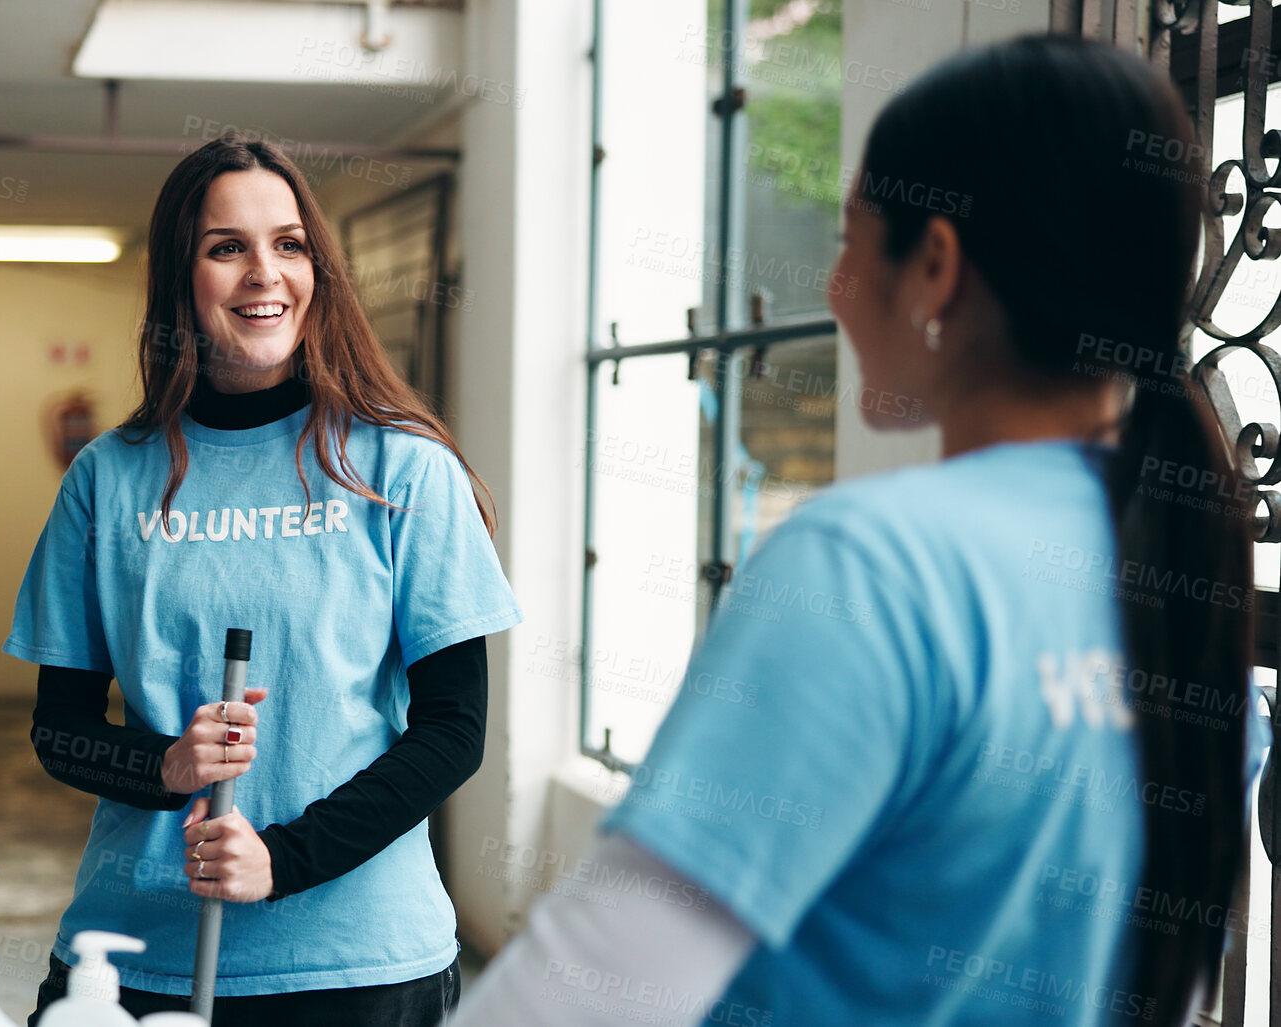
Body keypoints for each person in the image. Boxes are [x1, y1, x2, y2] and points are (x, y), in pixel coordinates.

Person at [455, 35, 1265, 1027]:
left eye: (850, 239)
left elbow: (582, 998)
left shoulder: (873, 570)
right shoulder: (1188, 585)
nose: (835, 285)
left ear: (934, 266)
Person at [6, 136, 522, 1026]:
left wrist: (283, 858)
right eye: (225, 247)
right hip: (134, 961)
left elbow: (453, 730)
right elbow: (61, 729)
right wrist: (164, 765)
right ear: (180, 275)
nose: (263, 274)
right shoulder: (108, 476)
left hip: (355, 965)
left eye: (288, 244)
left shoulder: (400, 468)